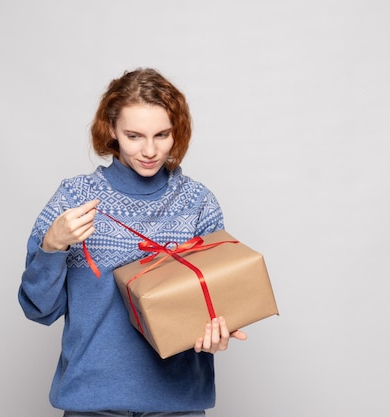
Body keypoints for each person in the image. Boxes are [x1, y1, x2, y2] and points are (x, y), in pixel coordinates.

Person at [18, 68, 247, 416]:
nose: (150, 150)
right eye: (134, 136)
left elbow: (216, 302)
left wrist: (219, 331)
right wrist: (52, 247)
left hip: (177, 403)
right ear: (111, 129)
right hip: (92, 402)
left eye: (163, 135)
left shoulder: (197, 203)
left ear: (177, 131)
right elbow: (38, 309)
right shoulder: (74, 198)